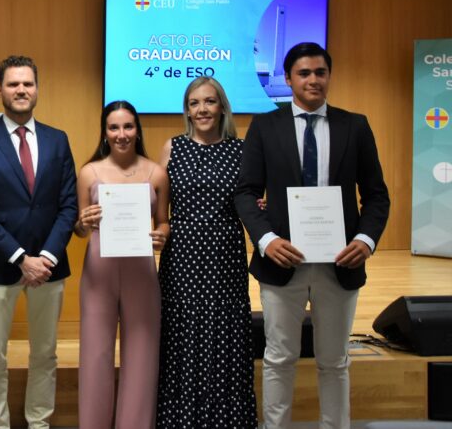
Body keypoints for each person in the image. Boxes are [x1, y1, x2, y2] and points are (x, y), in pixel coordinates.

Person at [235, 42, 391, 429]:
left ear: (329, 77)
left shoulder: (355, 126)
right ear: (288, 79)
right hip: (281, 262)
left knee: (335, 361)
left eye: (320, 72)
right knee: (278, 358)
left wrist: (365, 241)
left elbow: (376, 195)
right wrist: (267, 240)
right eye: (304, 73)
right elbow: (246, 192)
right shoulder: (264, 127)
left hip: (340, 262)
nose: (313, 80)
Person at [0, 55, 78, 429]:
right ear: (0, 89)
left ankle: (39, 423)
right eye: (13, 84)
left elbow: (69, 206)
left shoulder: (58, 140)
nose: (21, 90)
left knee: (45, 353)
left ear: (37, 89)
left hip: (49, 266)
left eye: (28, 83)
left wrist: (45, 257)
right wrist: (20, 258)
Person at [155, 77, 257, 428]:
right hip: (182, 253)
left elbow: (252, 199)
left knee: (224, 333)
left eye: (210, 102)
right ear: (186, 110)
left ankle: (225, 418)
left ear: (222, 107)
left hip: (225, 252)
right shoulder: (172, 147)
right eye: (194, 103)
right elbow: (158, 208)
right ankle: (179, 418)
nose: (202, 109)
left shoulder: (241, 150)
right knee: (181, 332)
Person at [74, 100, 169, 429]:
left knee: (142, 356)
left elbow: (163, 221)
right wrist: (83, 222)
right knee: (95, 356)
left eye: (128, 126)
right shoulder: (89, 172)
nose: (122, 134)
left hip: (141, 273)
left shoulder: (156, 172)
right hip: (98, 275)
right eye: (114, 127)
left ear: (137, 130)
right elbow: (79, 228)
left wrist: (162, 234)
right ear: (104, 132)